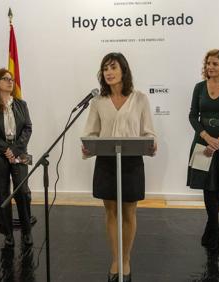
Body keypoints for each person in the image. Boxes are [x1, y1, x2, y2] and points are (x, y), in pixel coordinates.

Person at [82, 52, 157, 282]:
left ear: (124, 70)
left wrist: (151, 143)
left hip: (132, 161)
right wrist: (87, 147)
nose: (109, 72)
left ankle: (126, 259)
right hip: (106, 161)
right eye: (105, 68)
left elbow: (148, 131)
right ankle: (115, 258)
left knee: (129, 212)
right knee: (111, 211)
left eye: (113, 67)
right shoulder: (97, 101)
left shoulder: (140, 98)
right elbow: (91, 132)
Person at [187, 49, 219, 251]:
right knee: (206, 185)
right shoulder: (199, 87)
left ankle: (212, 225)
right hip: (202, 142)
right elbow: (193, 116)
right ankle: (215, 226)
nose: (210, 67)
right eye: (208, 63)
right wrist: (207, 138)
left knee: (218, 184)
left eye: (215, 64)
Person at [0, 68, 33, 247]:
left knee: (23, 192)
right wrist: (5, 150)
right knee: (2, 193)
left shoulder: (21, 104)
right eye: (5, 79)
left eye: (11, 79)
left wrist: (15, 150)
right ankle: (8, 233)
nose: (10, 82)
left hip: (19, 152)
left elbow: (27, 128)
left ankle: (26, 231)